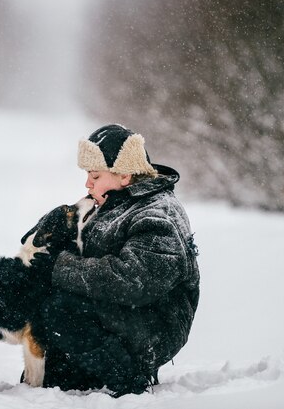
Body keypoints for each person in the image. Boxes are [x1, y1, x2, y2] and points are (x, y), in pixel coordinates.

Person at [30, 124, 200, 397]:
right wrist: (56, 226)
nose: (88, 183)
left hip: (154, 326)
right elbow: (57, 253)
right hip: (120, 313)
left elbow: (132, 280)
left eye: (95, 175)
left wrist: (58, 266)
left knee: (62, 307)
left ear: (124, 174)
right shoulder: (113, 202)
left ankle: (129, 380)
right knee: (44, 300)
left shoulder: (158, 213)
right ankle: (68, 379)